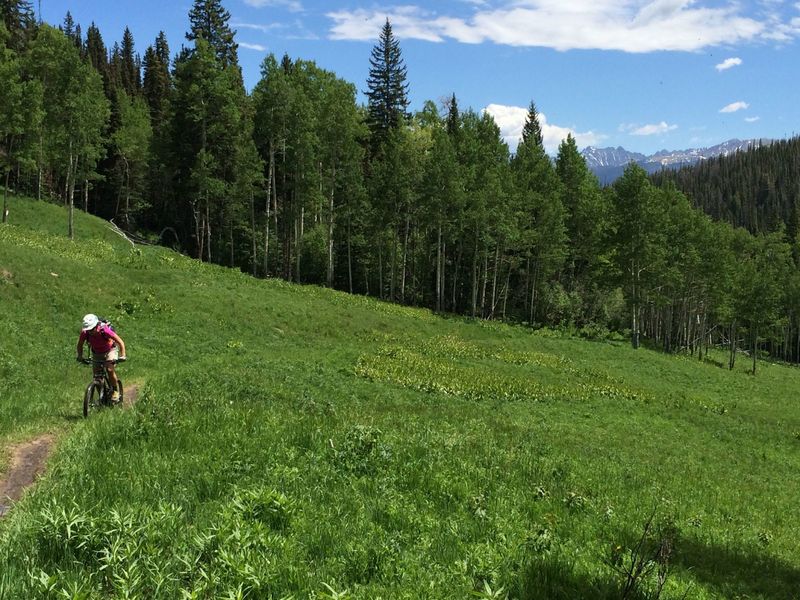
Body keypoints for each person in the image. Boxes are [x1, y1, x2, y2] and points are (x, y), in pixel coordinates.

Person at [76, 313, 127, 402]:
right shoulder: (85, 332)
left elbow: (120, 341)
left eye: (92, 329)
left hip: (110, 350)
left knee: (110, 370)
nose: (90, 332)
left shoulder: (105, 330)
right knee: (97, 377)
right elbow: (80, 344)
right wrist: (80, 356)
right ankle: (102, 397)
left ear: (96, 326)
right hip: (96, 353)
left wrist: (122, 355)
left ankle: (115, 391)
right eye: (89, 330)